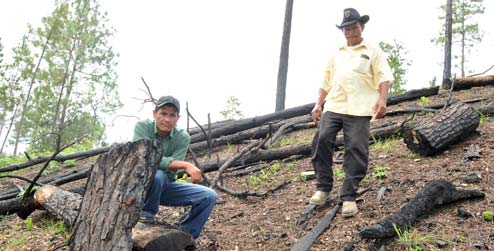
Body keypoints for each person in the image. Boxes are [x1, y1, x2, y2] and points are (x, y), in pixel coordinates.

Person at [309, 8, 393, 217]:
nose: (350, 32)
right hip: (335, 105)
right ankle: (324, 187)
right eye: (346, 29)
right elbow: (326, 81)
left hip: (360, 107)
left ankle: (348, 196)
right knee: (321, 140)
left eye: (354, 27)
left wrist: (382, 100)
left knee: (356, 148)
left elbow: (384, 77)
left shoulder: (373, 50)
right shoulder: (337, 52)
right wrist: (318, 104)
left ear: (361, 27)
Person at [133, 95, 218, 239]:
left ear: (177, 118)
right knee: (158, 174)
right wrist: (186, 165)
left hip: (166, 186)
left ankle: (186, 236)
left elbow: (172, 170)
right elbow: (145, 159)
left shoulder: (182, 137)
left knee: (209, 196)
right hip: (140, 188)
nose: (167, 119)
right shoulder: (143, 127)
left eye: (172, 115)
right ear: (155, 114)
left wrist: (176, 164)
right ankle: (146, 216)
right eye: (163, 113)